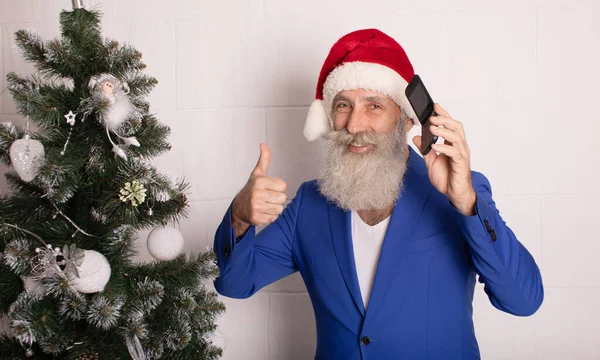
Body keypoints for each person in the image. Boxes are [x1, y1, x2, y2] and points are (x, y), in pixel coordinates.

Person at [213, 28, 543, 360]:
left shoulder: (460, 193)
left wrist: (465, 202)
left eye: (374, 105)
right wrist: (240, 218)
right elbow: (236, 284)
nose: (355, 125)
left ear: (407, 119)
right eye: (343, 105)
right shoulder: (309, 203)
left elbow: (523, 301)